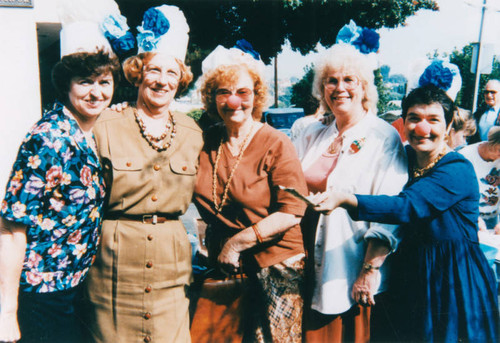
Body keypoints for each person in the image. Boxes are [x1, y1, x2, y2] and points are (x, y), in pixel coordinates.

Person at [312, 85, 499, 342]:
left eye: (433, 120)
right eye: (414, 118)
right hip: (412, 271)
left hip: (452, 276)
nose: (423, 128)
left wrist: (346, 199)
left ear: (447, 128)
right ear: (404, 122)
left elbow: (407, 206)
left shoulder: (457, 169)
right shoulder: (405, 156)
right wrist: (334, 121)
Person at [83, 5, 203, 342]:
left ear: (181, 79)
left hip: (170, 272)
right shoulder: (104, 125)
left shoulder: (193, 132)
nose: (162, 81)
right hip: (112, 271)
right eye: (154, 70)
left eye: (172, 73)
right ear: (138, 72)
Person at [0, 22, 121, 343]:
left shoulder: (86, 133)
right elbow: (12, 228)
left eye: (104, 82)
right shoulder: (49, 138)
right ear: (65, 86)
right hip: (42, 292)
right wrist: (7, 314)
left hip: (73, 286)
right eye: (85, 82)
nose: (96, 92)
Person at [193, 41, 308, 343]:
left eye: (242, 92)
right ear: (211, 98)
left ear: (255, 97)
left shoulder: (275, 142)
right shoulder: (204, 142)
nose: (233, 101)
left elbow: (292, 212)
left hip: (277, 264)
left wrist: (236, 244)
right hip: (227, 267)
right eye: (223, 92)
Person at [293, 42, 408, 342]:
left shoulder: (384, 137)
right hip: (308, 260)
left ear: (364, 87)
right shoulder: (315, 133)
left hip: (348, 266)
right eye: (331, 80)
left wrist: (370, 270)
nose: (339, 88)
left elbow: (391, 210)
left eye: (349, 80)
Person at [459, 127, 500, 231]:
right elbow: (458, 193)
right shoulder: (465, 156)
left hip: (493, 217)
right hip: (468, 216)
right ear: (493, 141)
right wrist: (472, 216)